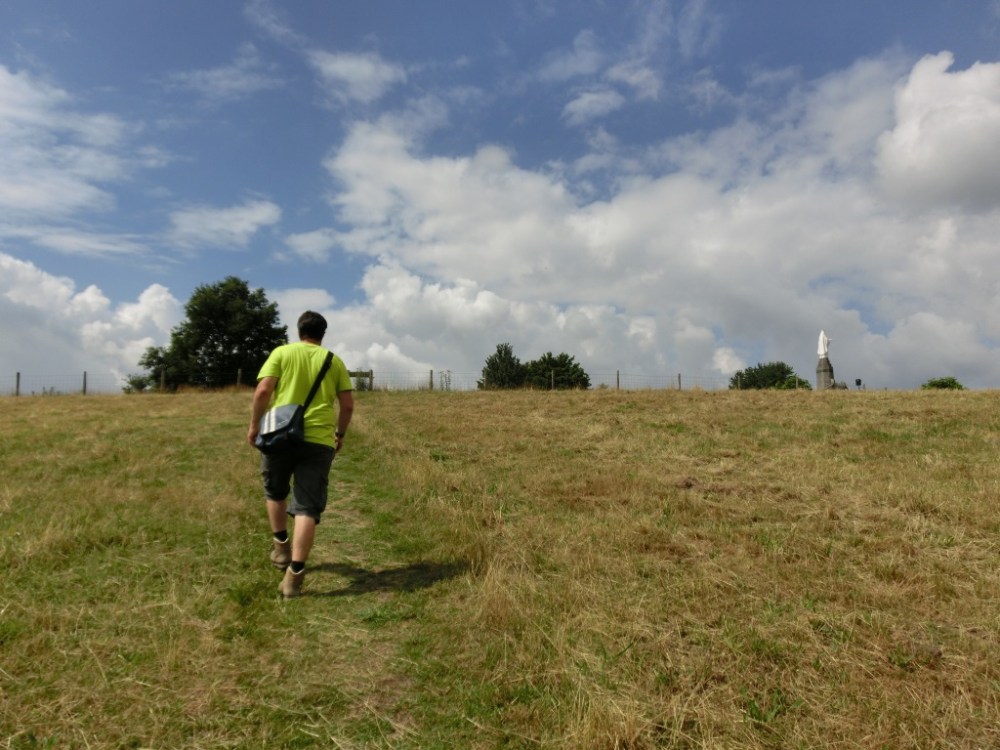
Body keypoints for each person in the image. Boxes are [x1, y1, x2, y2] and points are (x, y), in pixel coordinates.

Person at [247, 310, 354, 599]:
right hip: (318, 440)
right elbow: (347, 406)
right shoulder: (334, 361)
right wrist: (340, 435)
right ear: (323, 333)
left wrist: (254, 426)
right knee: (307, 507)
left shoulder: (281, 353)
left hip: (278, 434)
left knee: (275, 492)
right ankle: (295, 575)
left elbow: (262, 392)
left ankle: (281, 547)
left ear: (299, 331)